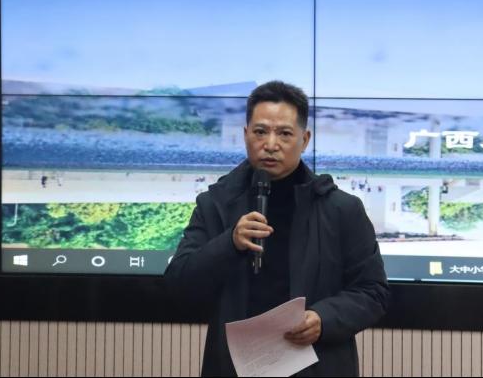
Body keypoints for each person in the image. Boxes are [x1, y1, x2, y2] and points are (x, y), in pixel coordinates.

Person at [163, 81, 390, 377]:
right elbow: (178, 286)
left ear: (304, 140)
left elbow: (373, 292)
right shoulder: (215, 204)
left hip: (315, 366)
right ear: (245, 135)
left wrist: (323, 319)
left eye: (284, 133)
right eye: (260, 132)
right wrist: (229, 243)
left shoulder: (341, 209)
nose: (271, 144)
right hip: (234, 368)